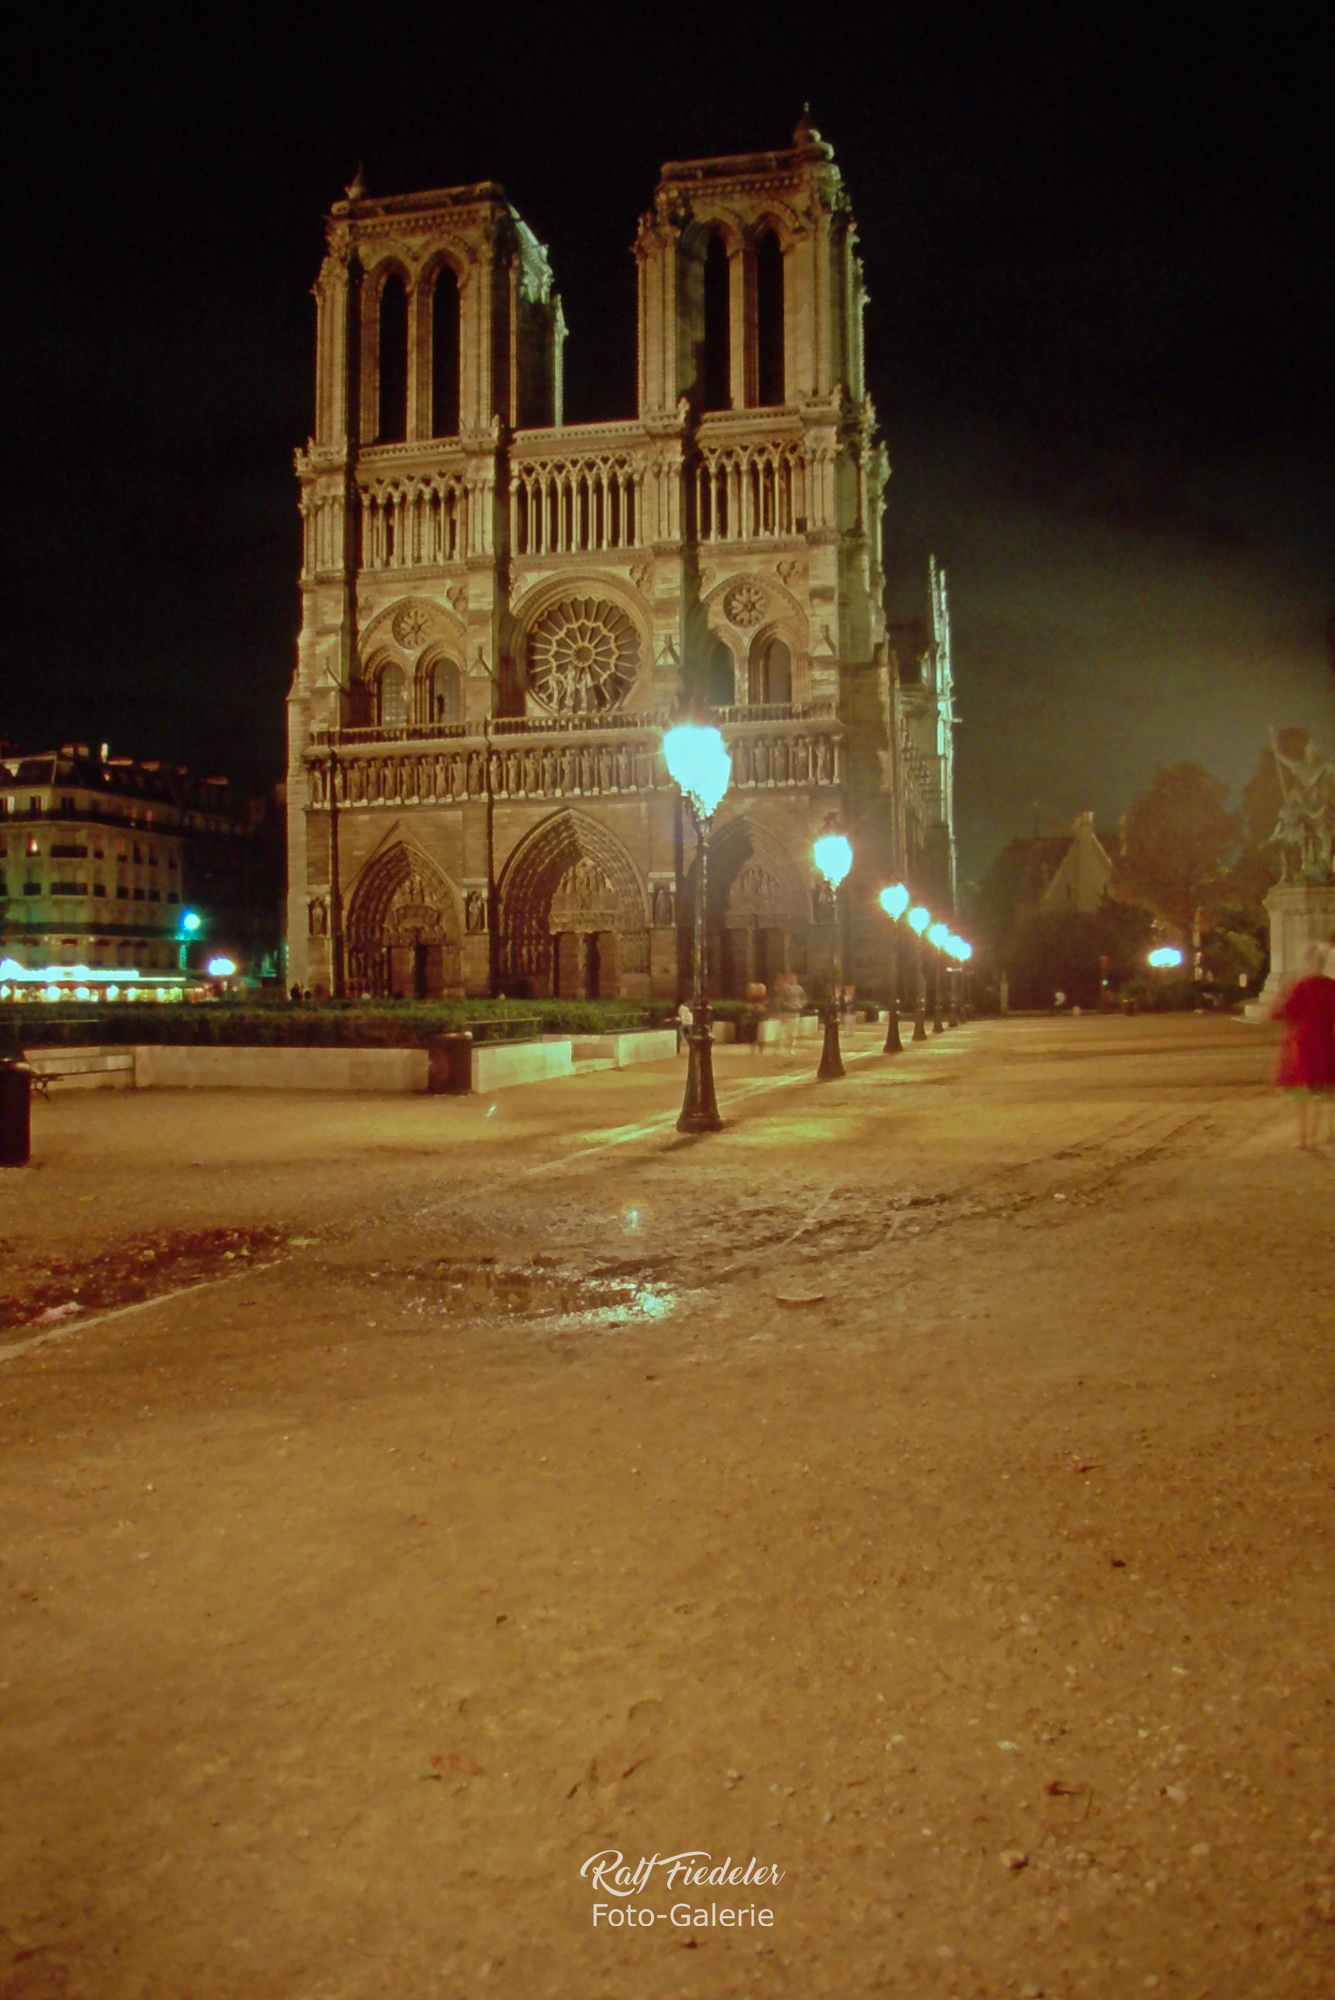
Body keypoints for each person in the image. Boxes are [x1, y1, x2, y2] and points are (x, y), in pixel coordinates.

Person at [1272, 943, 1335, 1148]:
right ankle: (1327, 1130)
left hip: (1304, 1040)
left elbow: (1289, 1011)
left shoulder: (1302, 986)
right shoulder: (1331, 987)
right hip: (1326, 1039)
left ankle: (1304, 1137)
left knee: (1302, 1089)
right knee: (1324, 1088)